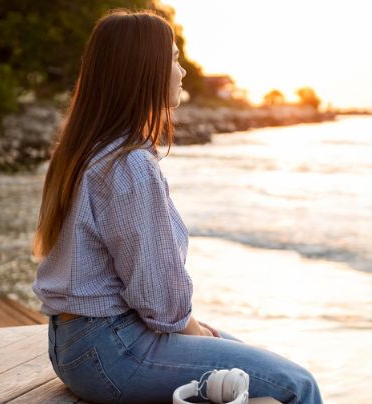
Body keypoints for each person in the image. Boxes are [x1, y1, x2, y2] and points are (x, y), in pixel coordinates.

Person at [31, 9, 323, 404]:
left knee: (251, 360)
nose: (181, 71)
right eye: (172, 59)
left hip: (71, 345)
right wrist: (199, 332)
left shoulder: (84, 150)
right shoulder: (129, 163)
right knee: (298, 386)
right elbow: (160, 301)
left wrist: (204, 332)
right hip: (113, 351)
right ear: (144, 70)